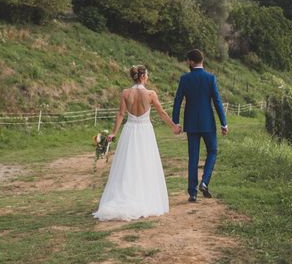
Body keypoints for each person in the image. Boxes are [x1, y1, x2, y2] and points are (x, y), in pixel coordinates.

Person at [93, 65, 182, 221]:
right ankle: (144, 197)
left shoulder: (126, 93)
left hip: (129, 131)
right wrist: (173, 126)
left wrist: (114, 133)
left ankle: (125, 195)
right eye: (147, 75)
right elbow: (161, 112)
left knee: (128, 163)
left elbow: (121, 114)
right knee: (145, 163)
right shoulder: (150, 94)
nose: (148, 77)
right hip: (145, 132)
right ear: (142, 77)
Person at [172, 49, 228, 202]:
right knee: (213, 150)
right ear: (202, 61)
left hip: (191, 123)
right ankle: (204, 182)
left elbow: (177, 101)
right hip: (208, 123)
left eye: (188, 61)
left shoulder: (185, 79)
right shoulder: (210, 78)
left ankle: (192, 193)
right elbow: (217, 101)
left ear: (191, 61)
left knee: (193, 157)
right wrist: (224, 123)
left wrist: (175, 122)